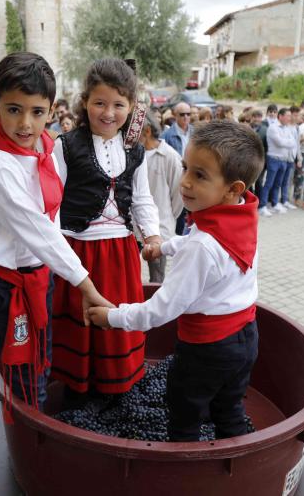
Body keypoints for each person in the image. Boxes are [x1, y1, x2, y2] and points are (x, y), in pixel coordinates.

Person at [88, 120, 263, 442]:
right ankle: (236, 462)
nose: (184, 182)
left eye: (200, 175)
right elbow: (202, 242)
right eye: (185, 168)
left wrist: (113, 317)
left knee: (184, 410)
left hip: (207, 350)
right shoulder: (241, 215)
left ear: (233, 188)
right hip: (246, 338)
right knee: (228, 408)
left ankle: (183, 471)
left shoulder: (202, 247)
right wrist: (164, 246)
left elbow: (163, 308)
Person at [0, 52, 111, 410]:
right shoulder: (1, 166)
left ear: (50, 110)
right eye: (14, 109)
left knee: (41, 356)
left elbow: (52, 218)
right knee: (24, 370)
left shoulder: (46, 149)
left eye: (36, 112)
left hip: (40, 273)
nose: (25, 124)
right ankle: (25, 440)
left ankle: (33, 421)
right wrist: (86, 284)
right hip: (8, 285)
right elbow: (37, 229)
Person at [51, 58, 161, 400]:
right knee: (82, 323)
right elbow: (52, 203)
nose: (108, 112)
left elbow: (142, 198)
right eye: (100, 103)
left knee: (117, 320)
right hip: (79, 251)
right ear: (85, 102)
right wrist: (55, 251)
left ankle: (117, 387)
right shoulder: (65, 145)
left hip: (122, 252)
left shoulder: (136, 151)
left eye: (118, 104)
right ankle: (78, 388)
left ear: (130, 106)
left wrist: (153, 234)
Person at [139, 113, 183, 283]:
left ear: (147, 131)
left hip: (159, 228)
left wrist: (168, 217)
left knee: (157, 277)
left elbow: (178, 196)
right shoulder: (134, 154)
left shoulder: (170, 156)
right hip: (133, 228)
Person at [258, 108, 298, 217]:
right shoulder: (273, 127)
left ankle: (274, 203)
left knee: (278, 184)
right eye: (288, 116)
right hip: (274, 159)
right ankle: (262, 206)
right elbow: (279, 142)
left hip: (284, 160)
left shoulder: (287, 128)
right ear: (280, 116)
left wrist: (287, 142)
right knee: (269, 183)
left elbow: (293, 142)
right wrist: (287, 142)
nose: (290, 118)